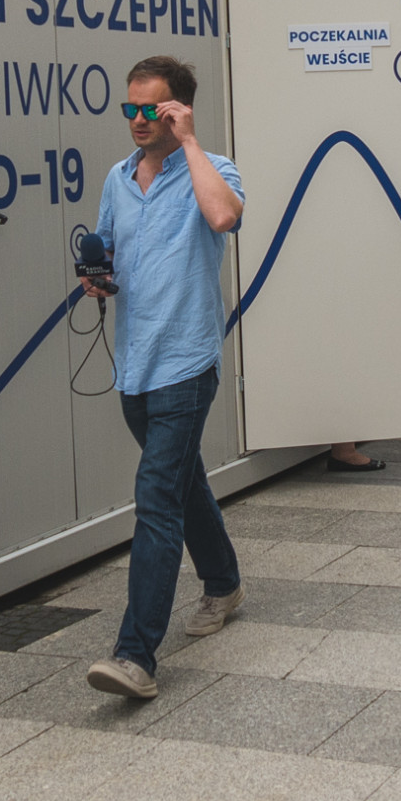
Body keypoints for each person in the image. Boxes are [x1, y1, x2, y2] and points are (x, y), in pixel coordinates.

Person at [83, 56, 247, 699]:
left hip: (186, 361)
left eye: (150, 109)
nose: (137, 121)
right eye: (129, 109)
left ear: (177, 108)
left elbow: (224, 218)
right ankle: (225, 582)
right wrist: (96, 274)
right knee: (182, 483)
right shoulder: (117, 179)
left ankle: (135, 655)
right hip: (135, 363)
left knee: (155, 498)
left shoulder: (213, 169)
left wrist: (191, 144)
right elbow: (107, 245)